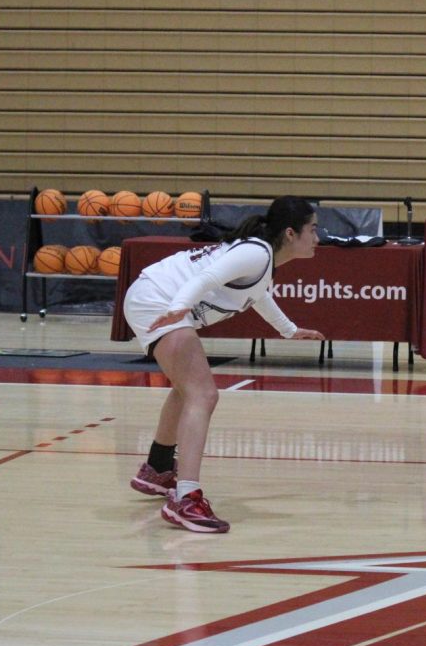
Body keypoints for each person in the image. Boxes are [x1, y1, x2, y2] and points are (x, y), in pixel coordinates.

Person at [124, 196, 325, 533]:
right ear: (291, 233)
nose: (318, 237)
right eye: (313, 229)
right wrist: (177, 309)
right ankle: (185, 500)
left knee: (188, 390)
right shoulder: (255, 252)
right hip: (158, 299)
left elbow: (258, 295)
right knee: (204, 394)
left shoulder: (262, 260)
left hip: (159, 298)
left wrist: (289, 331)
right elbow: (204, 279)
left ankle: (158, 470)